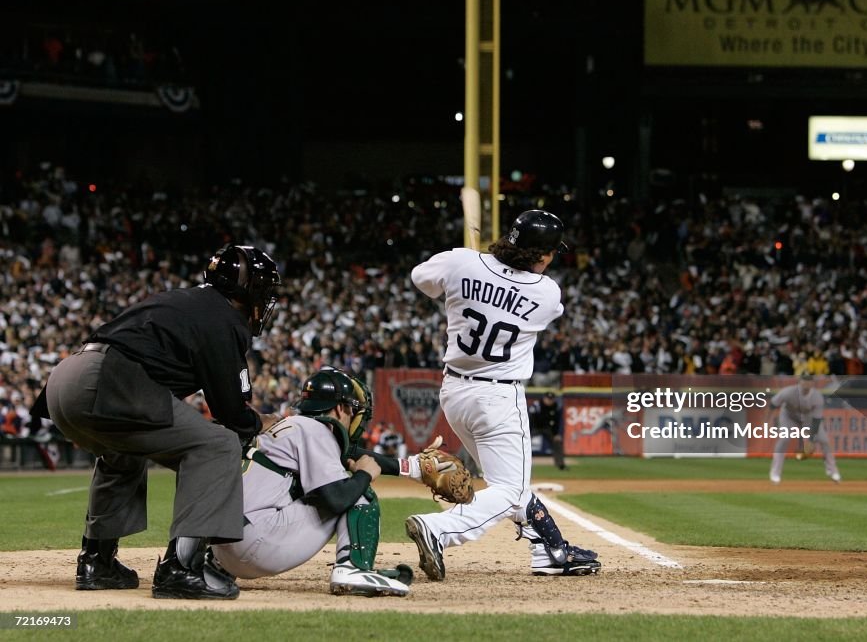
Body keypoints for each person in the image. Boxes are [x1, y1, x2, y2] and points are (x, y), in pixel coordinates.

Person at [38, 244, 282, 599]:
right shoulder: (223, 316)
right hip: (110, 381)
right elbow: (233, 415)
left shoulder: (188, 302)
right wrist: (262, 422)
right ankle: (181, 569)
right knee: (217, 446)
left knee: (123, 453)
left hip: (64, 380)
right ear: (251, 288)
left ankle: (97, 562)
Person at [404, 210, 601, 579]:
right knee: (510, 489)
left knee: (508, 483)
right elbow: (540, 301)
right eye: (551, 253)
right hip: (497, 397)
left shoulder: (461, 261)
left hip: (454, 392)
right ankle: (439, 529)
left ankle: (548, 550)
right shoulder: (546, 292)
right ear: (542, 254)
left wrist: (464, 267)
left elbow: (421, 278)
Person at [211, 367, 412, 597]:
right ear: (340, 408)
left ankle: (212, 566)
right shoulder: (317, 430)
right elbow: (336, 499)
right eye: (353, 411)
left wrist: (410, 467)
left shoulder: (287, 426)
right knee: (356, 491)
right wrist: (364, 475)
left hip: (222, 551)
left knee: (307, 487)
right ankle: (352, 569)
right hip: (256, 544)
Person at [769, 375, 840, 484]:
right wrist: (768, 420)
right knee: (784, 439)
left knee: (824, 440)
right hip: (789, 417)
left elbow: (816, 420)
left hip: (809, 420)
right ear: (799, 382)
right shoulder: (788, 392)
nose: (806, 384)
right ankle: (775, 473)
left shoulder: (817, 397)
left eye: (809, 382)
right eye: (804, 382)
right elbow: (773, 404)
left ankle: (833, 472)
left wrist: (811, 441)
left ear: (812, 384)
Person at [529, 392, 567, 470]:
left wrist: (556, 434)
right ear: (544, 398)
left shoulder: (556, 406)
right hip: (535, 427)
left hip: (548, 428)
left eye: (551, 399)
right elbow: (530, 419)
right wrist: (527, 432)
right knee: (524, 442)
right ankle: (522, 464)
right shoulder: (536, 405)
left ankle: (561, 465)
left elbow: (557, 421)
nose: (549, 401)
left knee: (557, 442)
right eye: (548, 399)